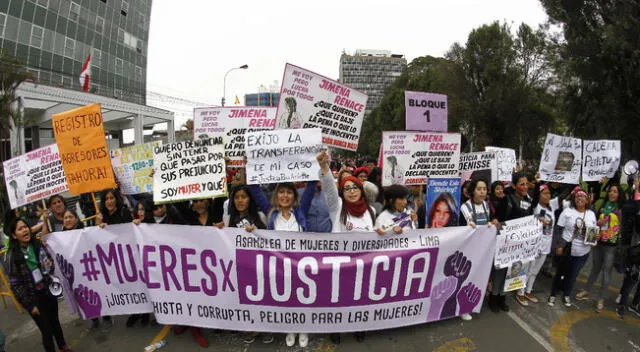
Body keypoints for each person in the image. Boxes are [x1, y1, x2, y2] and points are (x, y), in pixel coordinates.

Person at [318, 150, 375, 343]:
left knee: (360, 297)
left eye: (355, 187)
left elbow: (381, 234)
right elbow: (329, 189)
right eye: (347, 188)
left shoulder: (371, 211)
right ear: (342, 192)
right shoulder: (338, 207)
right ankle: (336, 328)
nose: (351, 190)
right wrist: (324, 166)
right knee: (338, 298)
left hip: (363, 265)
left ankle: (359, 325)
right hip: (340, 265)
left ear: (361, 190)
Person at [250, 180, 316, 347]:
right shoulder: (271, 211)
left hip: (301, 265)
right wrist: (247, 165)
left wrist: (314, 161)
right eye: (281, 192)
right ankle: (291, 328)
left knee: (303, 298)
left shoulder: (301, 210)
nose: (285, 196)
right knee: (286, 297)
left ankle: (304, 328)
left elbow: (311, 186)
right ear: (276, 194)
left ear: (294, 196)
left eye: (289, 192)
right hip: (280, 266)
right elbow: (255, 190)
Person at [5, 218, 72, 352]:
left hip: (47, 292)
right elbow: (15, 285)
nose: (25, 230)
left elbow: (50, 264)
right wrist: (29, 305)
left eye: (25, 227)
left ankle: (63, 347)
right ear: (14, 235)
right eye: (20, 229)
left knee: (55, 322)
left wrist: (49, 264)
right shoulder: (12, 256)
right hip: (33, 298)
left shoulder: (37, 244)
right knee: (46, 331)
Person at [576, 183, 625, 311]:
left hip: (611, 246)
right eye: (610, 191)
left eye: (615, 191)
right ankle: (587, 290)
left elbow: (623, 227)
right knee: (595, 268)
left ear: (619, 194)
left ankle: (601, 298)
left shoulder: (621, 209)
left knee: (606, 272)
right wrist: (597, 226)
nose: (612, 193)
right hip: (599, 243)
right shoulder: (603, 207)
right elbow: (594, 223)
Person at [549, 187, 597, 308]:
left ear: (587, 200)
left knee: (573, 275)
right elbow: (558, 230)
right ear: (574, 199)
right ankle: (553, 294)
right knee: (560, 272)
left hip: (583, 252)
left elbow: (593, 233)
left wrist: (594, 239)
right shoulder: (567, 212)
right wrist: (559, 246)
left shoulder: (591, 214)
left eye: (583, 197)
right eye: (577, 196)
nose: (580, 198)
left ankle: (567, 294)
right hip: (566, 248)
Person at [93, 189, 133, 329]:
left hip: (126, 255)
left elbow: (131, 230)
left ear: (116, 199)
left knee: (131, 283)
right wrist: (98, 226)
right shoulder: (101, 216)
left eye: (112, 198)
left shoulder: (124, 211)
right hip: (110, 258)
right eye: (106, 199)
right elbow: (94, 237)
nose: (109, 201)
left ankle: (140, 313)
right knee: (115, 284)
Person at [516, 184, 558, 306]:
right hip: (534, 244)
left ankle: (528, 291)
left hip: (545, 245)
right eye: (545, 193)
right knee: (528, 269)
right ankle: (520, 292)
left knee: (535, 271)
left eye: (549, 193)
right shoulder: (535, 206)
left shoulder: (551, 208)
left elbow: (564, 196)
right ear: (538, 195)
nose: (548, 196)